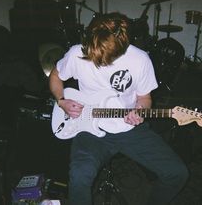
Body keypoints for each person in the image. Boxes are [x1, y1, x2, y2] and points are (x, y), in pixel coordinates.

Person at [49, 12, 189, 205]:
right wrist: (62, 100)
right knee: (79, 176)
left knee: (177, 173)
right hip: (88, 128)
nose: (98, 61)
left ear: (121, 46)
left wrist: (140, 111)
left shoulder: (140, 60)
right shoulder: (76, 53)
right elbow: (55, 76)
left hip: (129, 130)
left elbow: (145, 98)